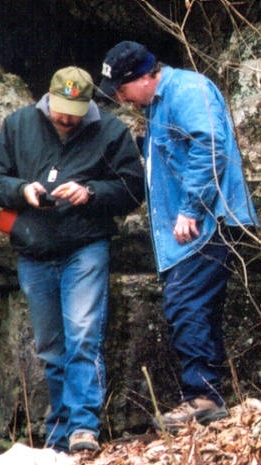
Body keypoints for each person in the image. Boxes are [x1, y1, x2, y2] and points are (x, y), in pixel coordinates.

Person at [0, 66, 144, 453]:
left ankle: (84, 426)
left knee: (83, 335)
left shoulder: (111, 131)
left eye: (75, 110)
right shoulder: (18, 125)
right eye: (60, 108)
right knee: (51, 345)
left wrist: (91, 193)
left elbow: (133, 189)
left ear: (89, 104)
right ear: (47, 97)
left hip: (86, 247)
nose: (67, 118)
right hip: (34, 249)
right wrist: (21, 190)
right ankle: (60, 427)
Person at [98, 41, 259, 433]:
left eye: (121, 90)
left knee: (185, 302)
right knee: (194, 305)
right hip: (191, 225)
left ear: (143, 77)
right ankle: (206, 395)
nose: (120, 99)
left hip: (207, 221)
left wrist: (190, 208)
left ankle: (203, 396)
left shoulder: (188, 90)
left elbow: (211, 146)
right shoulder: (157, 107)